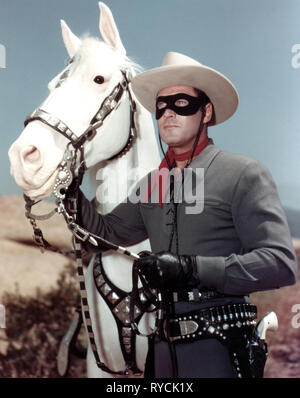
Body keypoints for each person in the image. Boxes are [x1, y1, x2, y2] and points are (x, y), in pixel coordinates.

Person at [74, 52, 297, 378]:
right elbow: (106, 232)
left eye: (181, 103)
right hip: (160, 350)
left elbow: (280, 263)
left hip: (219, 347)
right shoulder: (151, 184)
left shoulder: (243, 173)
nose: (168, 113)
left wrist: (191, 268)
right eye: (161, 106)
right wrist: (69, 192)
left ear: (206, 111)